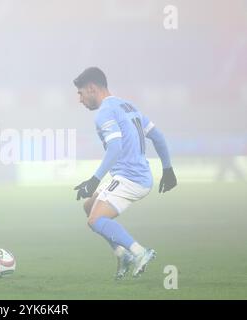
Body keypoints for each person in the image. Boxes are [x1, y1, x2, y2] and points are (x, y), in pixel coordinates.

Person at [73, 67, 177, 279]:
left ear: (92, 88)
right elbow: (157, 136)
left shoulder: (104, 113)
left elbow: (115, 148)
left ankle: (139, 252)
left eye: (81, 93)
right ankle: (122, 254)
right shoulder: (128, 106)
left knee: (94, 221)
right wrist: (168, 170)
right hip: (136, 175)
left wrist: (93, 180)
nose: (80, 100)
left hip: (130, 178)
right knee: (89, 206)